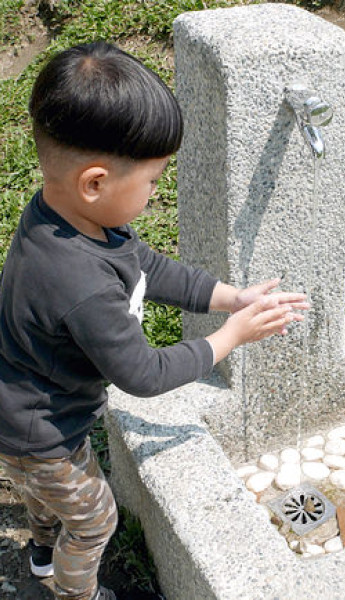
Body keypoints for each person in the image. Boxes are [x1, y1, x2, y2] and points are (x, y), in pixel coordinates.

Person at [0, 41, 308, 600]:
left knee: (45, 496)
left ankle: (43, 553)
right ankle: (75, 594)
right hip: (40, 432)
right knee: (94, 520)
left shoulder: (73, 218)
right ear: (95, 183)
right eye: (153, 181)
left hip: (34, 412)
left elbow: (148, 267)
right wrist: (232, 337)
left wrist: (231, 298)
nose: (155, 192)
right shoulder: (80, 283)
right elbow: (142, 375)